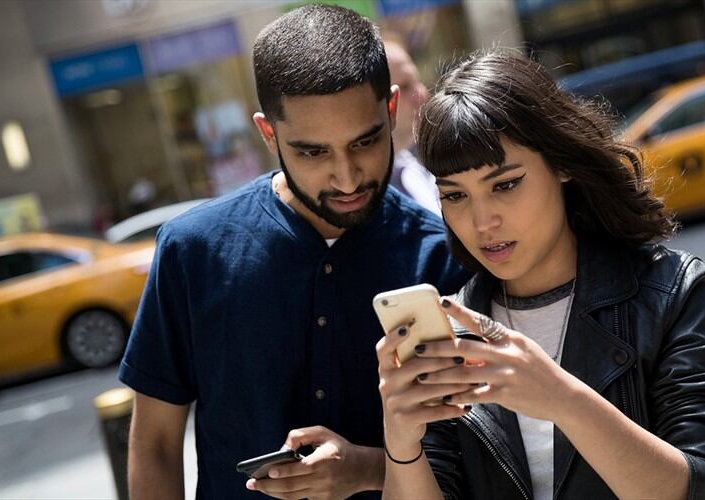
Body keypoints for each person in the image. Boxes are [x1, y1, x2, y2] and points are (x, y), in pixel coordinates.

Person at [119, 5, 470, 500]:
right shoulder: (191, 251)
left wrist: (366, 470)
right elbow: (155, 444)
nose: (347, 177)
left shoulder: (443, 256)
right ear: (268, 135)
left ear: (391, 110)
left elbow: (473, 453)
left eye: (365, 141)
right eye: (313, 152)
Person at [376, 50, 705, 500]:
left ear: (562, 164)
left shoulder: (673, 291)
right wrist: (401, 443)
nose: (482, 221)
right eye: (455, 196)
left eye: (505, 184)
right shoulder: (451, 333)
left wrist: (563, 399)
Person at [383, 35, 441, 216]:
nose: (422, 94)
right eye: (406, 86)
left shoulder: (413, 168)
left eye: (418, 81)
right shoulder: (359, 196)